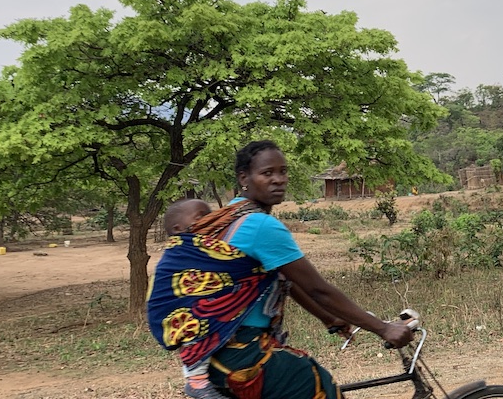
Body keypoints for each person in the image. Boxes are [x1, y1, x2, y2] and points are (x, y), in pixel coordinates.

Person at [148, 140, 413, 399]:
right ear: (244, 178)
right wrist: (383, 329)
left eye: (283, 171)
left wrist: (329, 318)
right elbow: (318, 289)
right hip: (244, 353)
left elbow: (284, 279)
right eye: (267, 173)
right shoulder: (261, 226)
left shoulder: (226, 216)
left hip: (214, 352)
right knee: (316, 383)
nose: (278, 180)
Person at [160, 198, 230, 399]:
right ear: (178, 229)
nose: (209, 220)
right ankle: (196, 381)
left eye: (211, 215)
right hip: (185, 312)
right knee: (196, 333)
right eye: (201, 217)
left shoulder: (204, 247)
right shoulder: (181, 252)